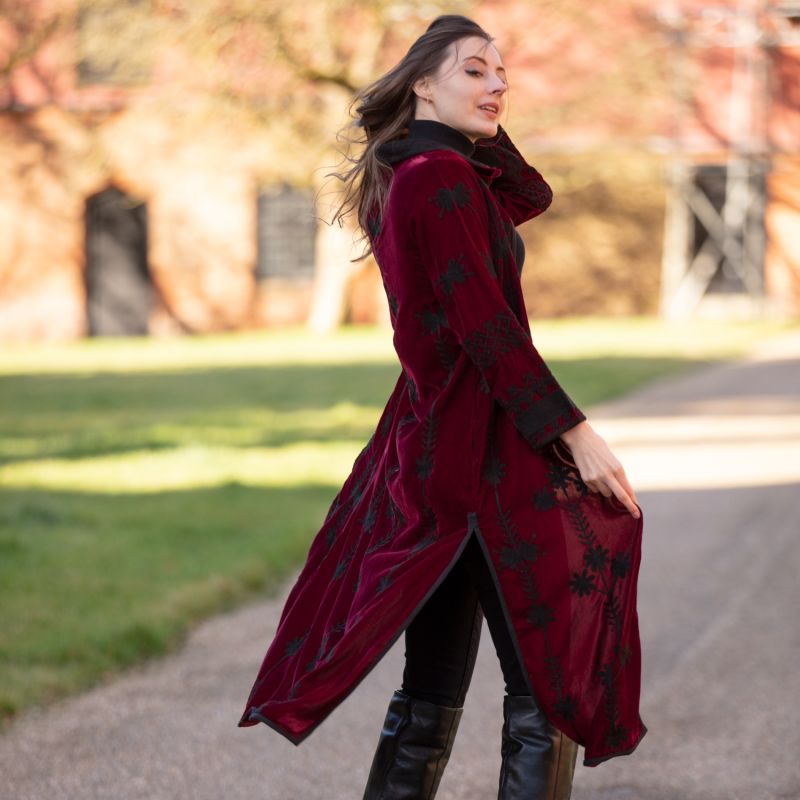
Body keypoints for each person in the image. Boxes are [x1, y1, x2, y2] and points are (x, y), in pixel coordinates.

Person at [238, 14, 647, 800]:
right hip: (484, 456)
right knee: (543, 682)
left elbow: (531, 193)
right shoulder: (440, 180)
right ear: (421, 81)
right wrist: (576, 433)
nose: (497, 85)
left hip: (443, 454)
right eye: (474, 71)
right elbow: (486, 326)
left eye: (503, 75)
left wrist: (476, 118)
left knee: (432, 686)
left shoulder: (428, 174)